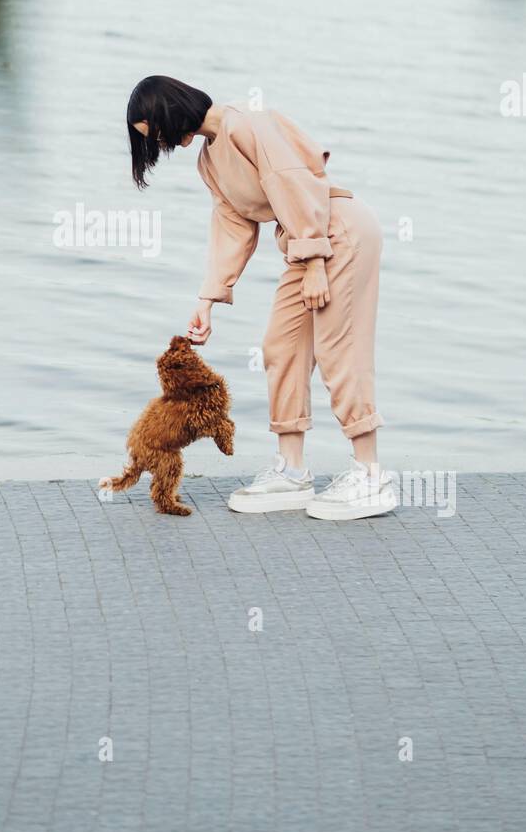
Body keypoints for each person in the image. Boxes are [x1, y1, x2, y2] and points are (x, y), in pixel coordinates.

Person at [127, 75, 397, 520]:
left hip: (337, 231)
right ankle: (292, 472)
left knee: (337, 349)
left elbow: (294, 183)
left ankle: (370, 476)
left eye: (154, 130)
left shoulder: (246, 124)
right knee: (281, 346)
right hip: (304, 241)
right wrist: (209, 298)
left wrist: (312, 263)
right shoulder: (209, 161)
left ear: (171, 110)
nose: (158, 141)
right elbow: (232, 226)